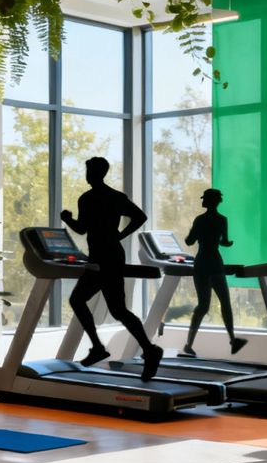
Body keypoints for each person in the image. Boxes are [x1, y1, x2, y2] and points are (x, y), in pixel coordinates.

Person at [61, 157, 165, 379]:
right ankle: (147, 349)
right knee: (117, 309)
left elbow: (81, 229)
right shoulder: (116, 197)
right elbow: (140, 217)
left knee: (80, 300)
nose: (87, 175)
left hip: (102, 256)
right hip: (112, 253)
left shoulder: (87, 199)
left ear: (95, 173)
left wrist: (67, 219)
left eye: (88, 170)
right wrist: (119, 235)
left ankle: (106, 347)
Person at [183, 189, 247, 357]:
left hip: (202, 263)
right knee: (225, 303)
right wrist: (225, 242)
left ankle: (189, 344)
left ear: (208, 201)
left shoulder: (200, 220)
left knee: (203, 305)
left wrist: (196, 234)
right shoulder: (222, 220)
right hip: (216, 262)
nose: (202, 201)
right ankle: (232, 339)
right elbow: (224, 242)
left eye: (203, 199)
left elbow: (189, 241)